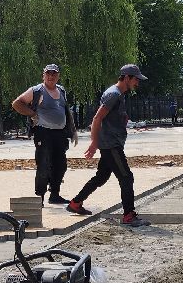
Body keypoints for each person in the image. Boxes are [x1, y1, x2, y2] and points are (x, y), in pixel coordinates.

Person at [67, 64, 147, 227]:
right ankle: (129, 216)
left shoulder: (119, 95)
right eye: (136, 79)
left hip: (112, 143)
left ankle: (75, 203)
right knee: (126, 177)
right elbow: (97, 119)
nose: (137, 83)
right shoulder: (113, 94)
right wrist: (94, 143)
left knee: (102, 177)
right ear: (126, 78)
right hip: (111, 145)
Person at [11, 63, 76, 204]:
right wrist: (32, 113)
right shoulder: (37, 90)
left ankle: (55, 195)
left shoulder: (61, 90)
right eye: (48, 74)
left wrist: (72, 130)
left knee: (60, 165)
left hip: (60, 134)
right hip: (43, 133)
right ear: (43, 75)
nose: (51, 76)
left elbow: (66, 111)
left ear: (58, 76)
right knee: (44, 165)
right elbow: (17, 103)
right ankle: (39, 197)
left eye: (54, 74)